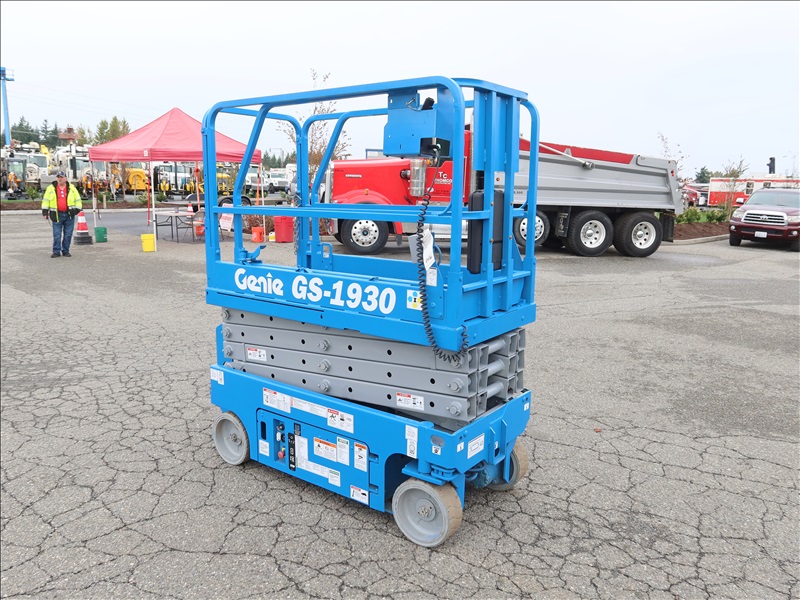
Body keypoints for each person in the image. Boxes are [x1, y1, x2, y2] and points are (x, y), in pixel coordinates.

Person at [42, 171, 82, 257]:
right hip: (56, 215)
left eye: (61, 177)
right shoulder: (50, 188)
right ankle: (56, 251)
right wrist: (45, 211)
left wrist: (76, 210)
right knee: (57, 235)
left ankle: (65, 251)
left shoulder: (72, 188)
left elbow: (78, 200)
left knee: (68, 235)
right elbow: (46, 200)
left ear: (65, 178)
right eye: (58, 177)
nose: (60, 179)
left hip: (69, 215)